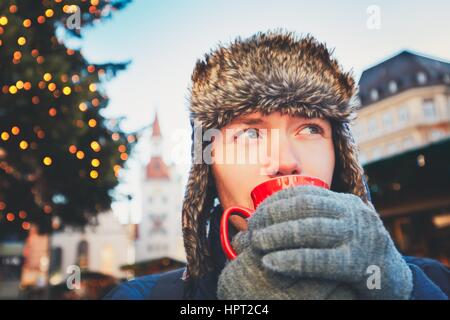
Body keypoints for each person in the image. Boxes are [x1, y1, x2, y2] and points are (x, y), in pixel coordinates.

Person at [105, 30, 449, 300]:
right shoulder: (143, 297)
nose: (285, 162)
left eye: (310, 128)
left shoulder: (429, 281)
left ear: (340, 158)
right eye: (251, 133)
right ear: (207, 169)